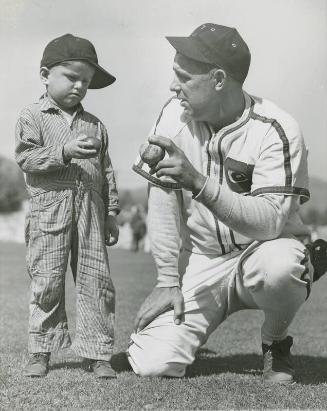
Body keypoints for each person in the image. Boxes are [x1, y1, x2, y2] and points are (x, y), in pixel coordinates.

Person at [128, 23, 327, 383]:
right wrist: (167, 279)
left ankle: (276, 340)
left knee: (283, 267)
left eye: (184, 77)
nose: (174, 86)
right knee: (152, 364)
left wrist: (199, 183)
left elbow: (268, 223)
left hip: (263, 252)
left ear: (219, 79)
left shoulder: (276, 128)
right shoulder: (174, 113)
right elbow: (161, 192)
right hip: (204, 261)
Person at [15, 34, 120, 378]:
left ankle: (98, 352)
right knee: (47, 279)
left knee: (96, 280)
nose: (79, 86)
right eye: (71, 77)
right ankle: (41, 350)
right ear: (45, 74)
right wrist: (64, 152)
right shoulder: (33, 114)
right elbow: (26, 158)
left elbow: (106, 173)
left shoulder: (95, 125)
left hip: (91, 208)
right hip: (49, 208)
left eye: (85, 81)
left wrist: (112, 213)